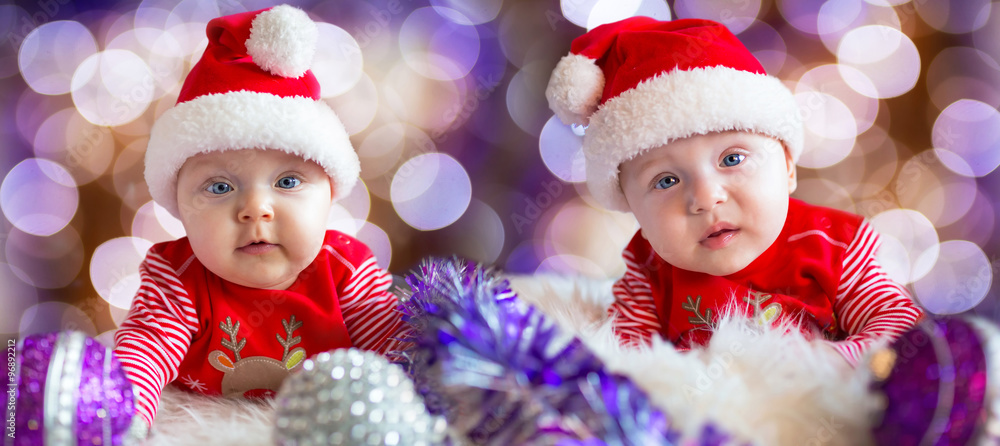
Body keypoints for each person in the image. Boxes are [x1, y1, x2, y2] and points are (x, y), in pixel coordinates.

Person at [544, 17, 922, 365]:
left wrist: (829, 366)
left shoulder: (835, 246)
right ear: (630, 206)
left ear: (788, 167)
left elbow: (899, 329)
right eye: (666, 181)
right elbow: (625, 366)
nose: (706, 199)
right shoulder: (649, 273)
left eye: (732, 159)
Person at [113, 5, 406, 433]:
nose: (256, 209)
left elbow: (396, 356)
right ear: (179, 207)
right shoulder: (177, 277)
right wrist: (124, 421)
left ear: (330, 195)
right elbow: (142, 350)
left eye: (287, 182)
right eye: (218, 187)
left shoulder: (347, 270)